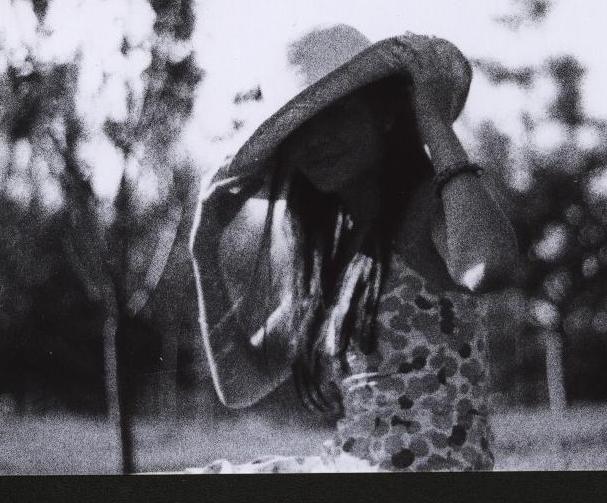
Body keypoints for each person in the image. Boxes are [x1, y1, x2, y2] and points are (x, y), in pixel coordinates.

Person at [188, 25, 518, 472]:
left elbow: (490, 265)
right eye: (302, 129)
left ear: (383, 114)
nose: (317, 140)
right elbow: (240, 383)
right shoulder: (338, 254)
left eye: (337, 115)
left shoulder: (429, 204)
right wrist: (203, 250)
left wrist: (433, 125)